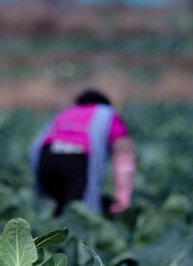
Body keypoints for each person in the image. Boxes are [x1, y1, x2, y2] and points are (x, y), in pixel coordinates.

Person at [29, 88, 136, 217]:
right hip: (75, 158)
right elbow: (123, 155)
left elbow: (39, 140)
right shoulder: (108, 113)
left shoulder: (66, 113)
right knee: (80, 214)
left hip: (46, 158)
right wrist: (123, 196)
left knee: (56, 209)